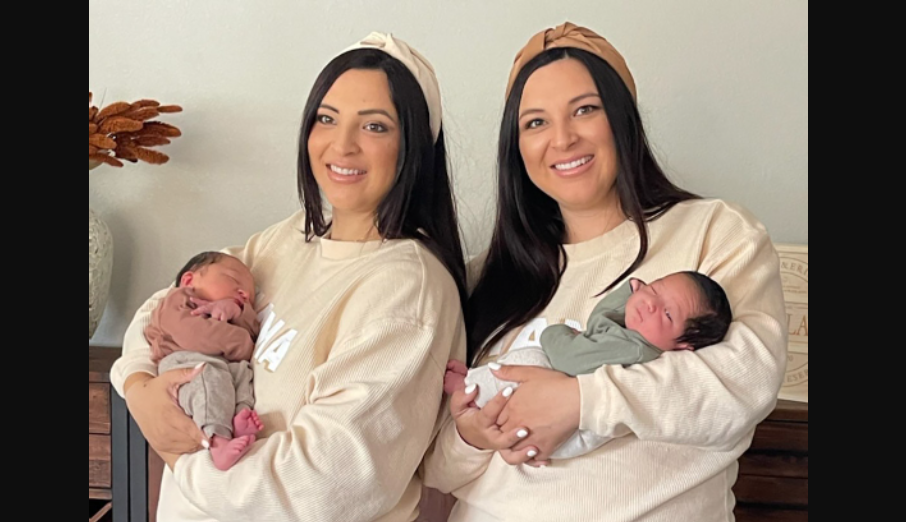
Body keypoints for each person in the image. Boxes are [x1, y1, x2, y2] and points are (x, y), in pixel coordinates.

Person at [421, 22, 788, 522]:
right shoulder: (484, 277)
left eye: (585, 110)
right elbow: (433, 469)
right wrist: (471, 436)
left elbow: (746, 380)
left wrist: (582, 400)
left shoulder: (715, 232)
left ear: (622, 119)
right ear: (516, 146)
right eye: (535, 122)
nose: (563, 138)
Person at [111, 32, 468, 522]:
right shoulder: (290, 240)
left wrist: (179, 454)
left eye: (375, 126)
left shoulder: (407, 289)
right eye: (327, 118)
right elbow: (164, 304)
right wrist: (138, 388)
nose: (342, 144)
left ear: (414, 147)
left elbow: (321, 484)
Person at [443, 270, 732, 459]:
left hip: (565, 435)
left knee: (532, 358)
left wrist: (555, 333)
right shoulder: (635, 337)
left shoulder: (631, 349)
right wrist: (630, 292)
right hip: (542, 433)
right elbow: (599, 322)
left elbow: (567, 358)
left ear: (683, 345)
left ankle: (471, 387)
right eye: (654, 289)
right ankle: (477, 383)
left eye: (668, 314)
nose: (650, 304)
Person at [145, 251, 263, 471]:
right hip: (183, 362)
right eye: (233, 280)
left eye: (249, 296)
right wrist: (241, 341)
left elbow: (253, 334)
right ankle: (217, 443)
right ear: (189, 280)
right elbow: (194, 336)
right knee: (208, 378)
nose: (245, 293)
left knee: (242, 372)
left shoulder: (234, 314)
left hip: (221, 363)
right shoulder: (179, 299)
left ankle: (239, 418)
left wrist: (237, 311)